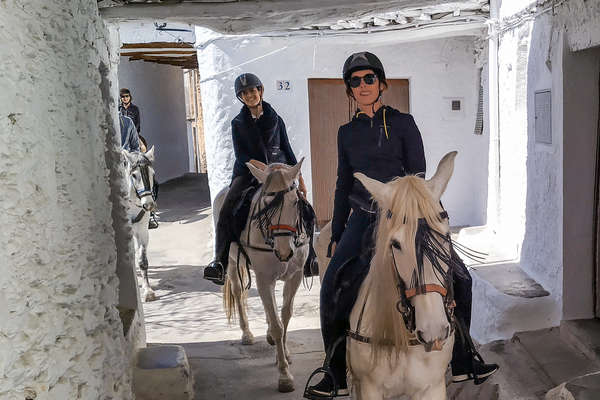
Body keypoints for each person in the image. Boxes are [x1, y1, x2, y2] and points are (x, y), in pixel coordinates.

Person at [304, 52, 498, 398]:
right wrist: (335, 232)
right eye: (355, 81)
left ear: (381, 84)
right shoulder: (346, 132)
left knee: (462, 278)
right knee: (333, 282)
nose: (362, 85)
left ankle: (465, 359)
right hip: (363, 217)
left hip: (406, 216)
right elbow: (343, 182)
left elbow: (419, 174)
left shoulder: (404, 123)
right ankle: (334, 371)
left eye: (368, 79)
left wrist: (410, 208)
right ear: (349, 89)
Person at [203, 73, 315, 286]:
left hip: (278, 172)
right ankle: (220, 262)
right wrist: (262, 167)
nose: (250, 95)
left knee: (304, 206)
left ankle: (310, 258)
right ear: (241, 98)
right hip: (247, 173)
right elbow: (241, 155)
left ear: (260, 91)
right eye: (244, 93)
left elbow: (287, 150)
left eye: (253, 91)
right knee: (227, 208)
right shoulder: (238, 123)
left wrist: (299, 177)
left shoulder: (276, 118)